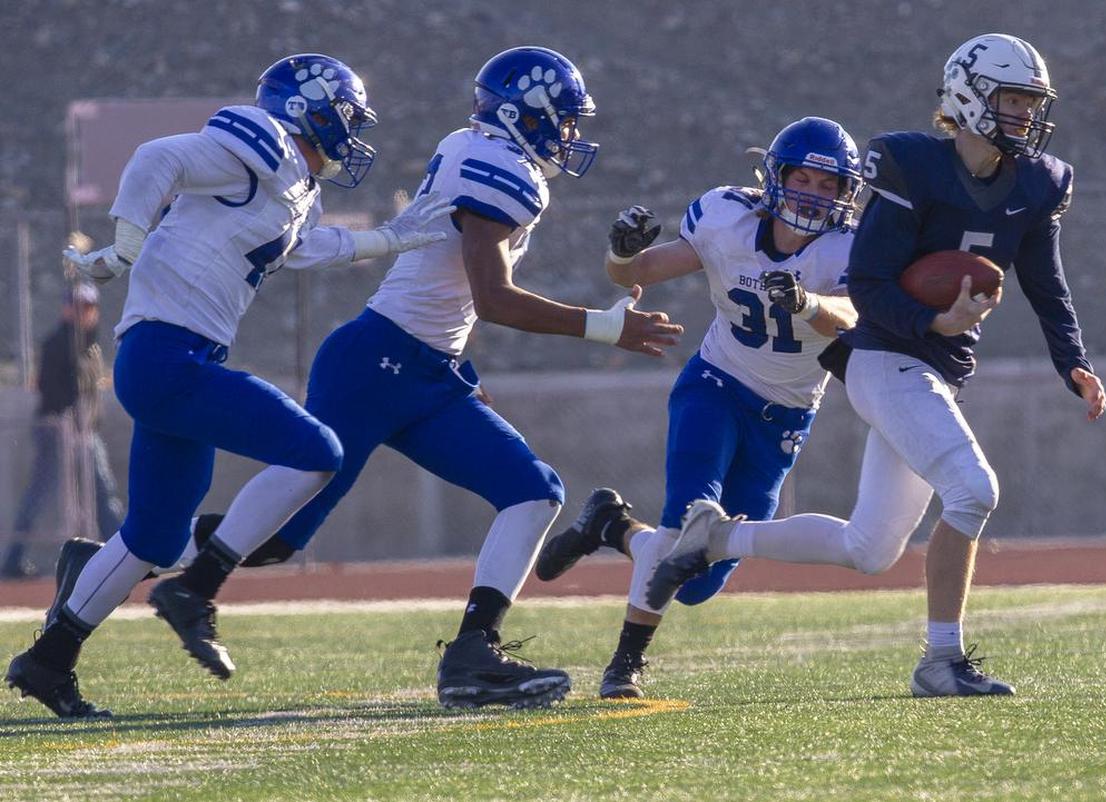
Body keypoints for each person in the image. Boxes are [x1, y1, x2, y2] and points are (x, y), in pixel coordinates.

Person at [52, 45, 682, 711]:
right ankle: (125, 569)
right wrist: (604, 327)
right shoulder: (496, 165)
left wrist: (458, 365)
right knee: (278, 541)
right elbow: (492, 295)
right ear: (528, 112)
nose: (572, 134)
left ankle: (473, 656)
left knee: (534, 492)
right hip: (378, 366)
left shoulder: (484, 152)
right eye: (564, 118)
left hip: (423, 367)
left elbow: (446, 294)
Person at [646, 33, 1106, 698]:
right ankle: (941, 661)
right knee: (973, 490)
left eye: (1031, 102)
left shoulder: (1038, 183)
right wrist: (929, 321)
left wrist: (1074, 363)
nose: (1025, 115)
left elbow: (1046, 282)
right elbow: (866, 286)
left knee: (871, 549)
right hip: (884, 358)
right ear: (969, 96)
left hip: (938, 368)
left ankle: (714, 540)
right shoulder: (911, 164)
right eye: (1011, 100)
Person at [5, 53, 452, 719]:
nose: (353, 134)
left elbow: (304, 249)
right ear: (311, 109)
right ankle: (198, 586)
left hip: (175, 360)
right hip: (170, 358)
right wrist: (126, 243)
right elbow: (159, 158)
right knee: (318, 453)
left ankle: (49, 659)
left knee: (152, 539)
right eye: (347, 118)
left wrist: (391, 239)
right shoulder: (261, 141)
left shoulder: (298, 186)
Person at [535, 117, 863, 698]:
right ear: (776, 177)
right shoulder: (727, 217)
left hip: (784, 416)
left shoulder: (848, 247)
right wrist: (620, 251)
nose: (813, 194)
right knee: (687, 524)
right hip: (715, 384)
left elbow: (850, 314)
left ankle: (609, 525)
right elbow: (636, 274)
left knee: (697, 582)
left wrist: (807, 301)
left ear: (845, 194)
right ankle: (625, 665)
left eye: (827, 185)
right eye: (804, 179)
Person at [2, 280, 123, 579]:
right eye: (79, 306)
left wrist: (88, 423)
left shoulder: (90, 344)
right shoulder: (59, 341)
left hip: (85, 431)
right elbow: (52, 391)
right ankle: (13, 560)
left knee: (101, 491)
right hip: (59, 430)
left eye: (90, 307)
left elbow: (91, 391)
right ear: (67, 308)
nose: (85, 313)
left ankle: (122, 555)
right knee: (41, 493)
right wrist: (70, 418)